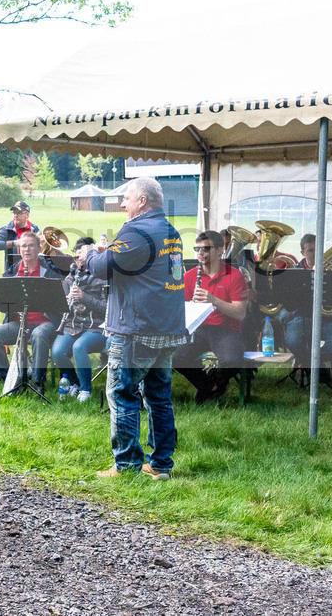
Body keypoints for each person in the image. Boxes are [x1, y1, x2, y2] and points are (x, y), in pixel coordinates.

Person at [82, 177, 186, 481]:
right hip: (167, 327)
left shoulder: (137, 229)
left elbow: (102, 268)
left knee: (123, 393)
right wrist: (110, 251)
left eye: (127, 197)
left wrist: (91, 254)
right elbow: (135, 264)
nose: (123, 203)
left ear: (143, 201)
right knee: (158, 396)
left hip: (136, 329)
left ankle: (126, 465)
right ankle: (161, 465)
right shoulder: (170, 231)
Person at [172, 231, 248, 404]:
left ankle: (214, 381)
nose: (200, 253)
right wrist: (190, 305)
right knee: (176, 358)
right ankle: (211, 387)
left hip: (225, 329)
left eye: (206, 249)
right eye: (197, 249)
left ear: (220, 249)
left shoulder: (234, 275)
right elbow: (179, 310)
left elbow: (240, 313)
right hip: (198, 328)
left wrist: (214, 300)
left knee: (232, 360)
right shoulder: (190, 276)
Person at [0, 232, 62, 389]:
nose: (27, 249)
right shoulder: (12, 272)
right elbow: (3, 301)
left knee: (38, 335)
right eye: (23, 246)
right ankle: (6, 379)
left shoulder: (50, 270)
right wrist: (13, 307)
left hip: (45, 322)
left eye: (31, 245)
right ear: (19, 250)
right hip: (19, 322)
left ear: (39, 248)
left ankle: (39, 382)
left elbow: (58, 301)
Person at [282, 233, 332, 380]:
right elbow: (289, 303)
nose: (315, 253)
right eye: (310, 250)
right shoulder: (295, 273)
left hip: (331, 319)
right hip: (302, 318)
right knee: (292, 340)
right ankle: (317, 367)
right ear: (302, 253)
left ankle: (310, 363)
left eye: (317, 249)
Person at [51, 237, 109, 402]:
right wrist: (65, 301)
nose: (78, 261)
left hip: (96, 327)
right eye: (76, 257)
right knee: (57, 352)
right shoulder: (70, 277)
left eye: (82, 257)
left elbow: (107, 309)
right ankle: (74, 383)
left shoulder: (102, 277)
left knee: (79, 347)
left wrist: (84, 297)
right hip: (73, 325)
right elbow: (60, 304)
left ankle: (85, 390)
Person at [0, 200, 40, 275]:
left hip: (33, 270)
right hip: (13, 271)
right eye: (14, 213)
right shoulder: (6, 230)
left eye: (19, 213)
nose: (15, 215)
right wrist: (14, 243)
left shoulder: (35, 229)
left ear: (27, 215)